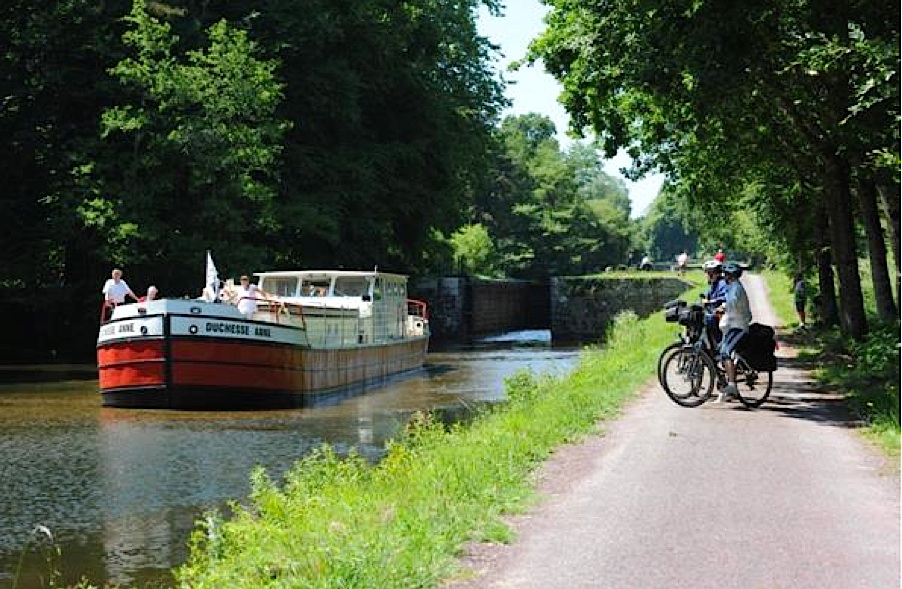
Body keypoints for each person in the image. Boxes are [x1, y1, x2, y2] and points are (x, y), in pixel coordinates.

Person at [717, 262, 752, 402]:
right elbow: (729, 302)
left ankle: (732, 385)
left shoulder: (736, 288)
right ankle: (731, 376)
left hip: (738, 326)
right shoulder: (733, 287)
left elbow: (732, 304)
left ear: (730, 275)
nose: (724, 276)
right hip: (733, 325)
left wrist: (722, 308)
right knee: (721, 350)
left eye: (725, 274)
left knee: (725, 351)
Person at [701, 260, 727, 345]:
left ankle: (718, 346)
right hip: (714, 313)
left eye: (711, 273)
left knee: (710, 321)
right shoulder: (713, 285)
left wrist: (710, 302)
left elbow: (724, 298)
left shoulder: (722, 284)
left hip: (722, 316)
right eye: (708, 273)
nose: (709, 275)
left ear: (718, 273)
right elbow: (706, 295)